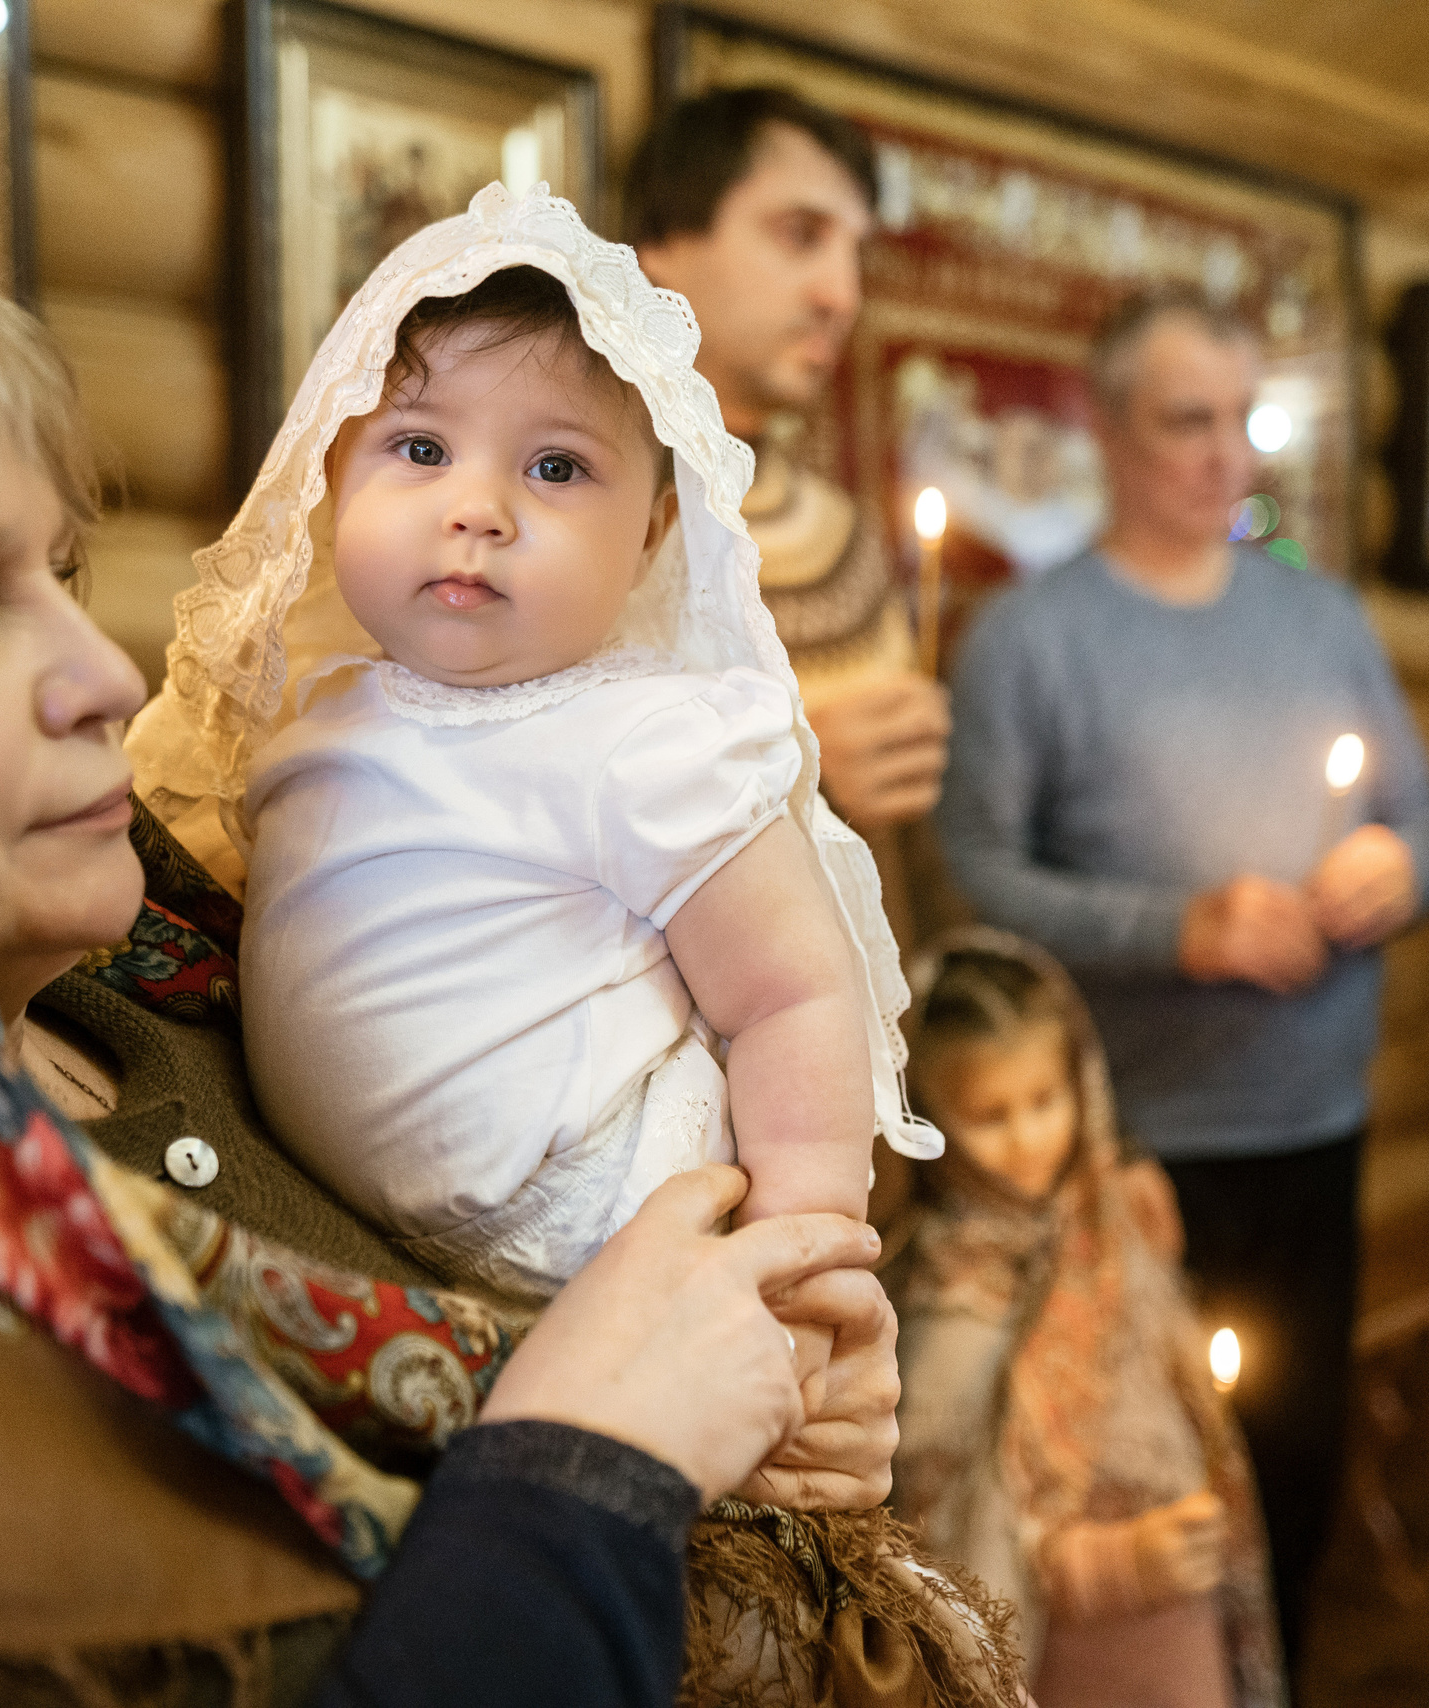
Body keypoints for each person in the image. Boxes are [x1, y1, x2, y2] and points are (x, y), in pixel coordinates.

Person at [0, 220, 900, 1706]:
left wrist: (788, 1379)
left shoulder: (160, 953)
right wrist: (600, 1468)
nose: (103, 675)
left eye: (60, 568)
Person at [177, 210, 936, 1305]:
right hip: (384, 1255)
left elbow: (795, 991)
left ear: (652, 537)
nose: (475, 510)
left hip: (612, 1213)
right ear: (337, 467)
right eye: (421, 448)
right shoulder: (319, 710)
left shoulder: (644, 739)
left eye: (555, 466)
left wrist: (802, 1249)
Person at [933, 284, 1429, 1670]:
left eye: (1243, 421)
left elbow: (1427, 823)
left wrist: (1398, 870)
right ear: (1105, 429)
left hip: (1315, 1121)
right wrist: (1182, 930)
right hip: (1128, 1150)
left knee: (1291, 1463)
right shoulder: (1030, 639)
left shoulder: (1321, 615)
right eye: (1187, 422)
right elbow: (977, 873)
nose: (1226, 456)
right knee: (1147, 1489)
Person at [889, 929, 1284, 1708]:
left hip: (1179, 1604)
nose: (1031, 1138)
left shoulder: (1112, 1226)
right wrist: (1107, 1567)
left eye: (1046, 1099)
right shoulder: (943, 1302)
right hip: (1067, 1645)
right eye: (990, 1115)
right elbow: (943, 1535)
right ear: (926, 1118)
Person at [625, 87, 950, 850]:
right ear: (664, 243)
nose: (843, 295)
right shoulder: (580, 511)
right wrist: (803, 772)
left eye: (854, 254)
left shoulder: (842, 532)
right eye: (801, 235)